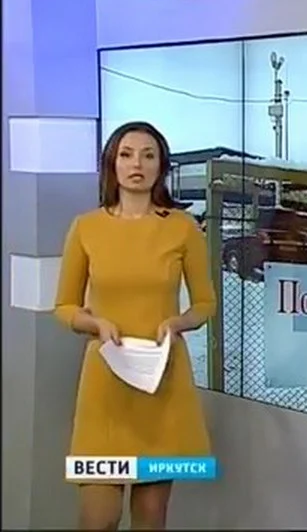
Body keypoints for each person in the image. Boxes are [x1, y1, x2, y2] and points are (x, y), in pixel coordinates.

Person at [54, 121, 216, 530]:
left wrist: (178, 322)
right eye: (126, 155)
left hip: (161, 386)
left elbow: (205, 304)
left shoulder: (182, 228)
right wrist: (94, 323)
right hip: (105, 389)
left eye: (148, 155)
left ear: (161, 166)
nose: (136, 164)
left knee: (150, 518)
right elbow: (65, 306)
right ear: (112, 164)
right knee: (99, 519)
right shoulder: (86, 227)